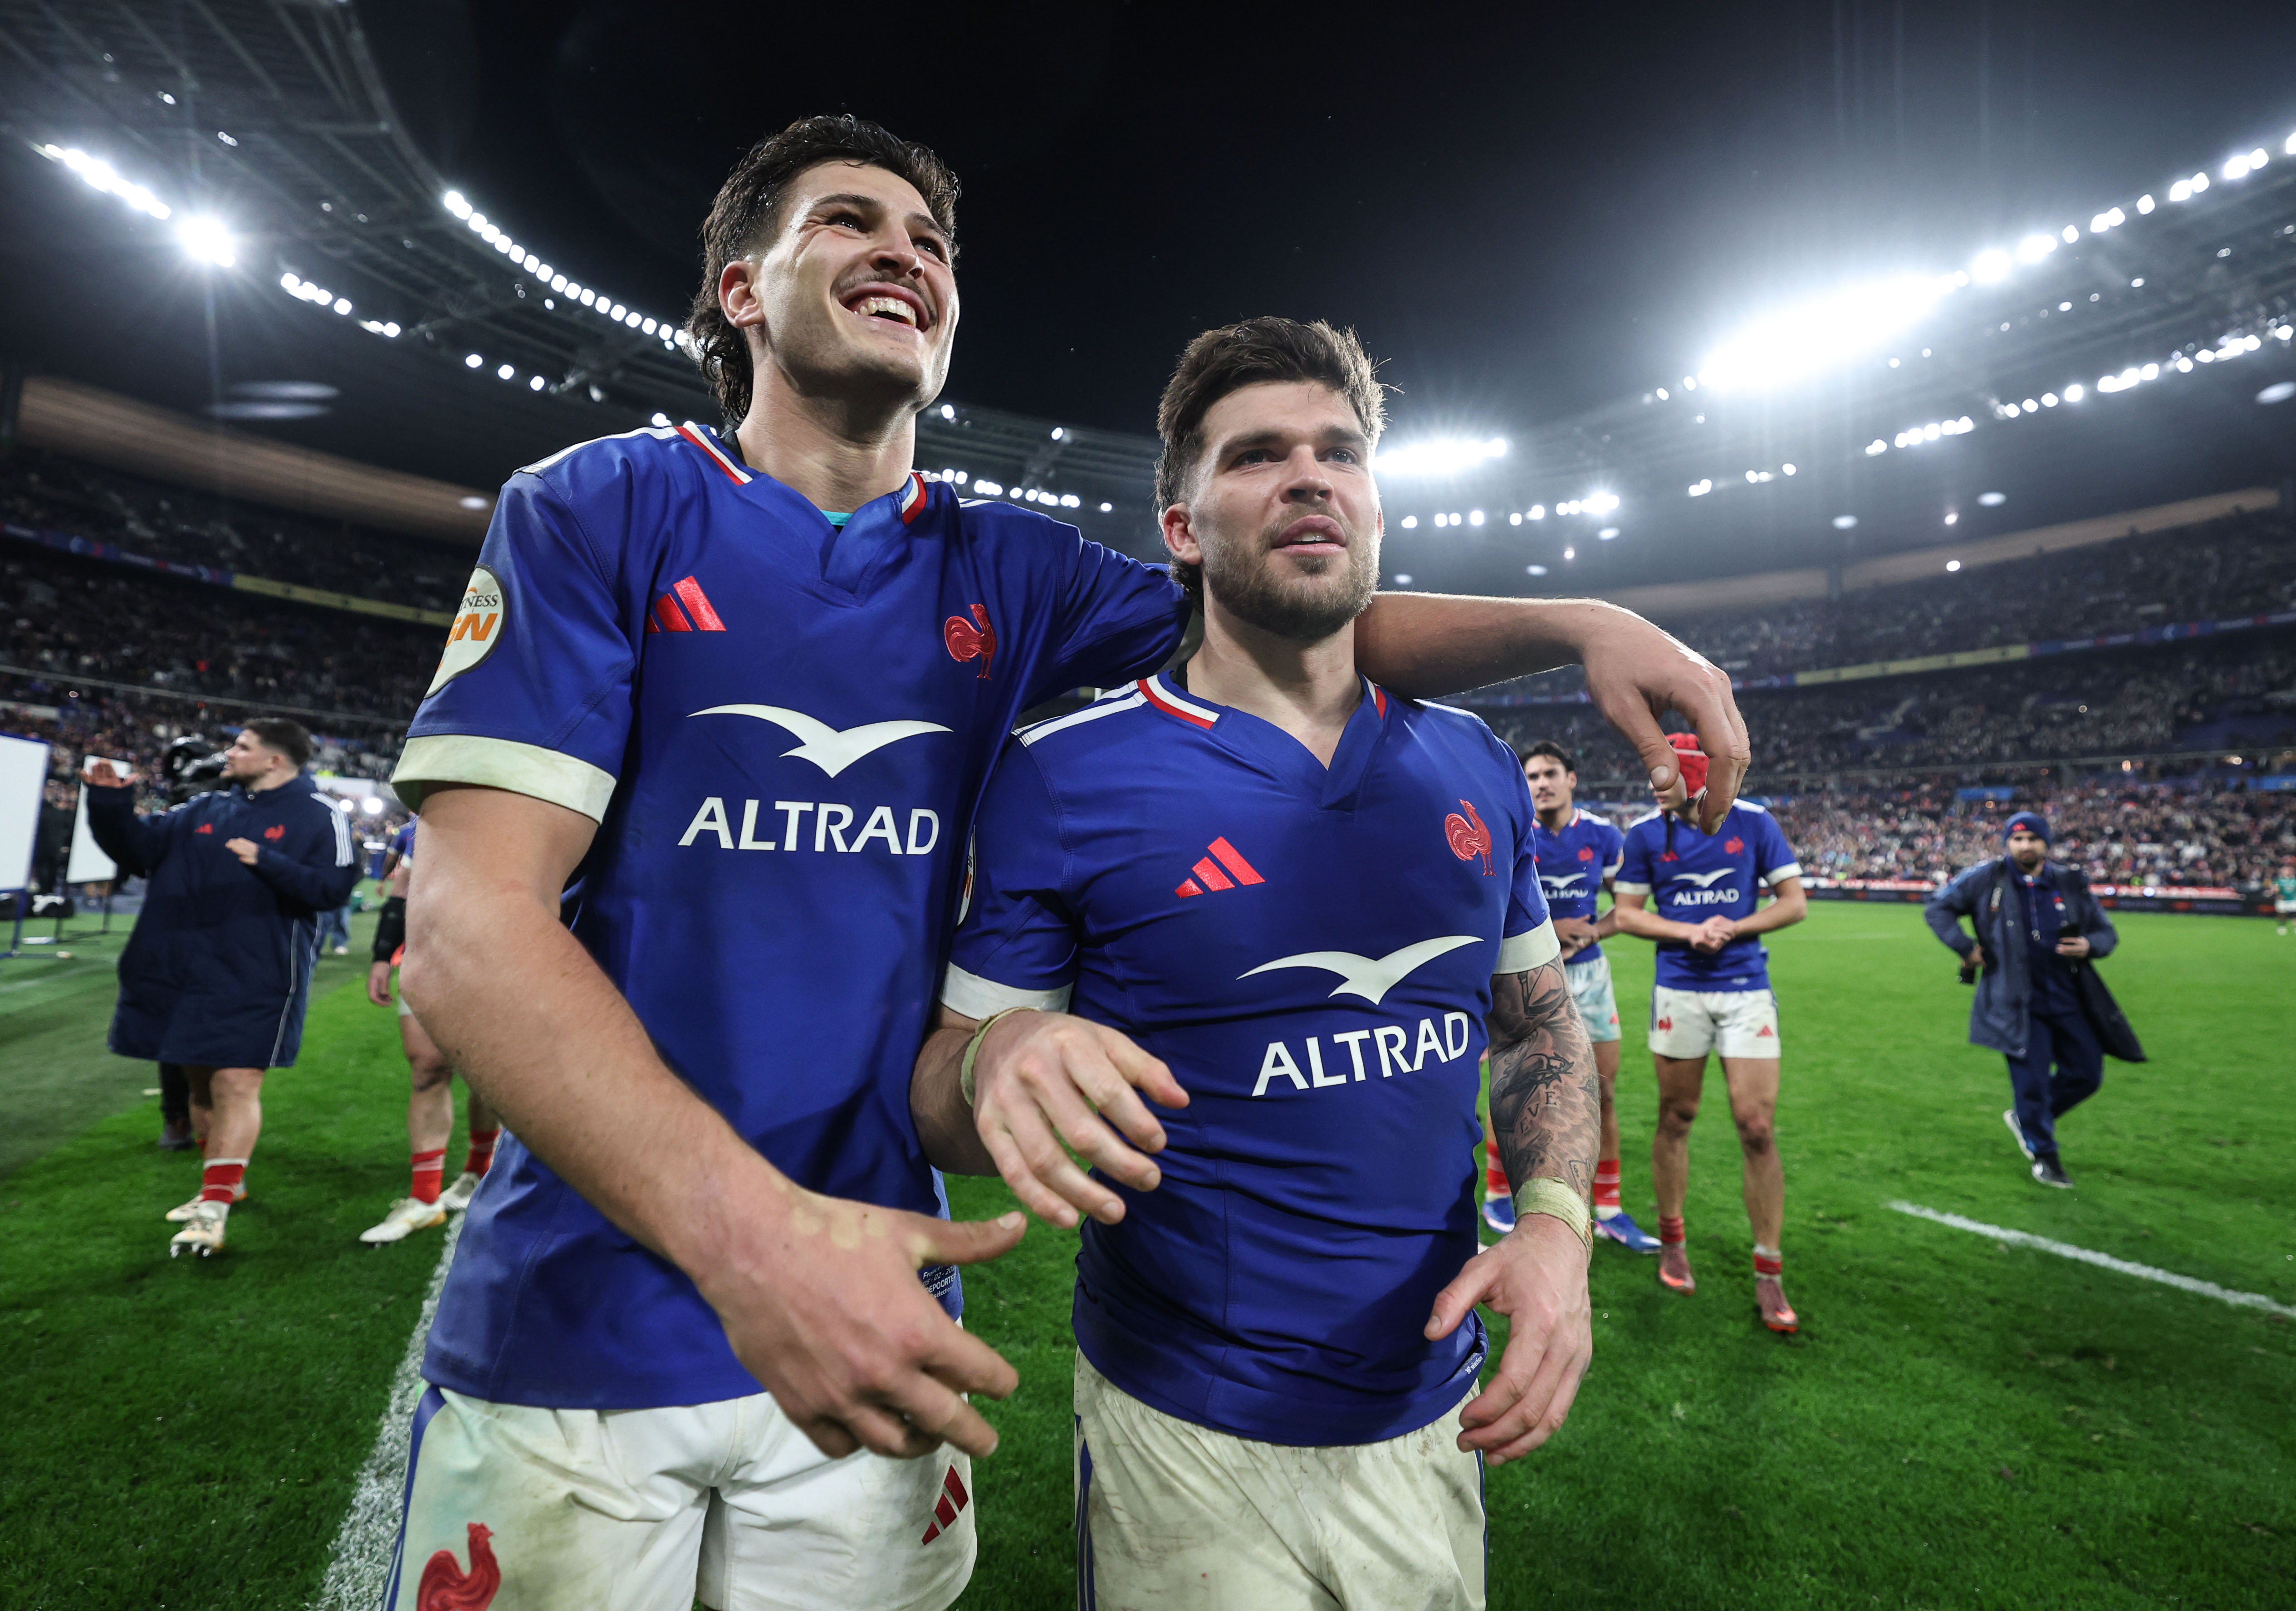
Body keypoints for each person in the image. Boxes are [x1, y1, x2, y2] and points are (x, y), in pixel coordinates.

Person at [382, 114, 1748, 1607]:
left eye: (932, 242)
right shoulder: (603, 508)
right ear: (737, 288)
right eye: (848, 221)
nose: (905, 251)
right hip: (590, 1319)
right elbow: (466, 927)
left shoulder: (1008, 571)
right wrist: (750, 1239)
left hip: (883, 1307)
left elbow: (1288, 617)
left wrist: (1580, 628)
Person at [910, 318, 1597, 1609]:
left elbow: (1538, 1026)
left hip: (1432, 1405)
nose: (1309, 474)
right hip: (1185, 1425)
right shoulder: (1065, 773)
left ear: (1374, 503)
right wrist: (1002, 1050)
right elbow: (941, 1100)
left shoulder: (1473, 762)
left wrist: (1555, 1229)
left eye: (1339, 451)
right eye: (1256, 454)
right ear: (1179, 526)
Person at [83, 719, 362, 1257]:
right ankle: (225, 1180)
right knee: (201, 1081)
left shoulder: (321, 814)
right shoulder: (206, 808)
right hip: (185, 968)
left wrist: (268, 860)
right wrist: (109, 805)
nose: (229, 753)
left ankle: (213, 1206)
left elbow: (334, 887)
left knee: (236, 1080)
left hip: (259, 971)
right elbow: (138, 851)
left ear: (276, 760)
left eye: (242, 746)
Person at [1610, 734, 1807, 1331]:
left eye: (1662, 776)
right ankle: (1673, 1238)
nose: (1653, 787)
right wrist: (1684, 931)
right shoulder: (1645, 833)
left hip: (1745, 988)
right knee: (1677, 1116)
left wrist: (1736, 924)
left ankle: (1769, 1269)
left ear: (1694, 780)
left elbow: (1793, 902)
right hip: (1679, 989)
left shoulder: (1754, 823)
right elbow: (1626, 912)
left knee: (1756, 1125)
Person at [1480, 741, 1660, 1252]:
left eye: (1550, 773)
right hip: (1522, 977)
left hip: (1588, 975)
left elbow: (1625, 908)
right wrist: (1550, 927)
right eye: (1532, 775)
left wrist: (1595, 931)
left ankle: (1608, 1207)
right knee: (1511, 1086)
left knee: (1602, 1091)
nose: (1540, 783)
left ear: (1572, 778)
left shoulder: (1603, 834)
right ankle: (1497, 1193)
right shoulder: (1510, 828)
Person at [1923, 810, 2119, 1188]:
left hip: (2067, 996)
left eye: (2032, 838)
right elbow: (1937, 908)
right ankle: (2044, 1155)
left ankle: (2027, 1119)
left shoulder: (2068, 881)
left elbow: (2106, 934)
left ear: (2046, 843)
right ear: (2007, 843)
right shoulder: (1986, 878)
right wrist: (1965, 947)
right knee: (2030, 1082)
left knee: (2087, 1073)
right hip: (2013, 1001)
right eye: (2017, 839)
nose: (2025, 845)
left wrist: (2089, 945)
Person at [358, 819, 501, 1244]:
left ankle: (478, 1170)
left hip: (503, 957)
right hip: (430, 953)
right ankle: (423, 1198)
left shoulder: (525, 805)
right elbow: (402, 888)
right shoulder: (426, 822)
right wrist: (383, 955)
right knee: (426, 1068)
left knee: (490, 1075)